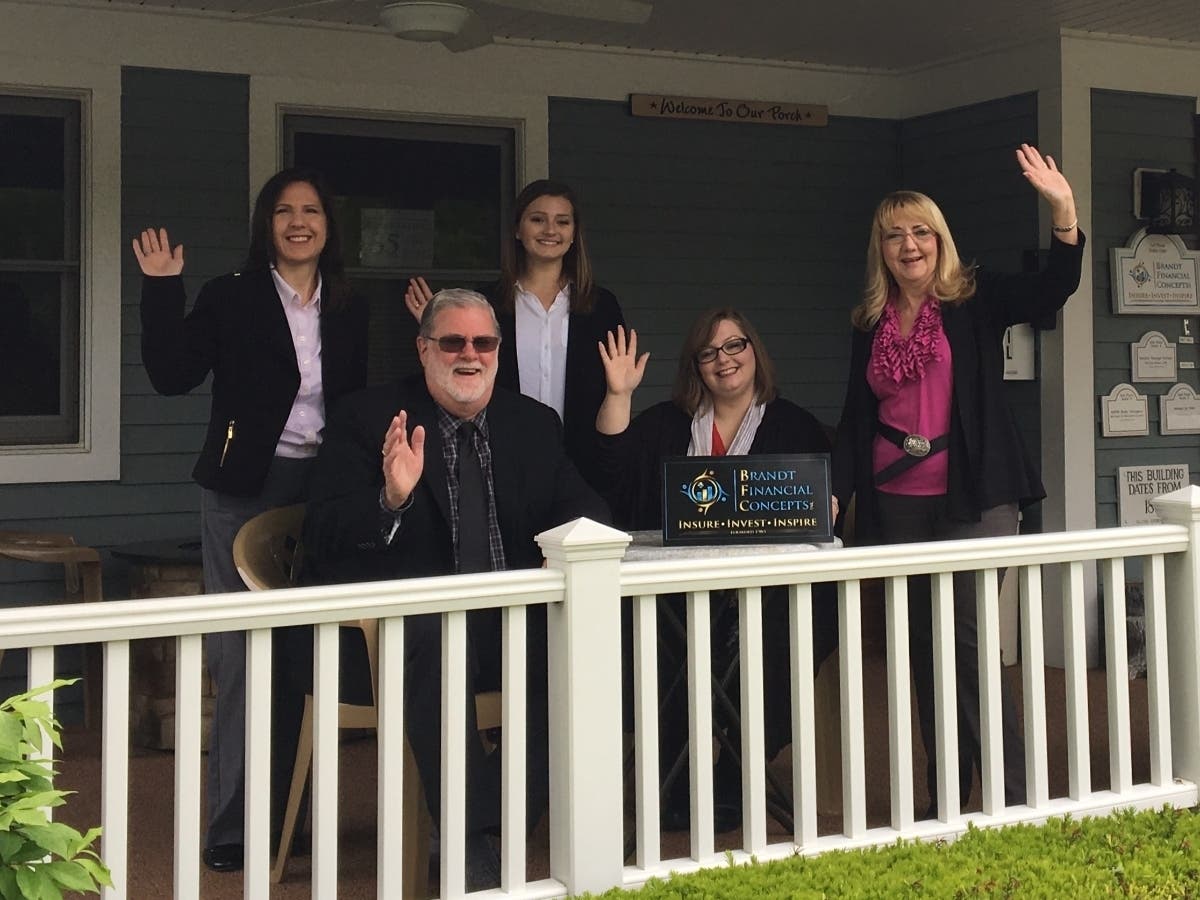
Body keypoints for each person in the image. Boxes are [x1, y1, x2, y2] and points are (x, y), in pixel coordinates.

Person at [299, 288, 608, 890]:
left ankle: (476, 825)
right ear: (423, 350)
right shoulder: (369, 420)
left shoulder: (533, 426)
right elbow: (321, 534)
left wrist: (591, 547)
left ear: (497, 350)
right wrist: (391, 498)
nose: (469, 354)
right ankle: (475, 847)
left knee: (582, 643)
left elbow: (584, 509)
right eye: (452, 341)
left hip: (508, 621)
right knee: (436, 639)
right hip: (402, 637)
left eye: (483, 342)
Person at [831, 143, 1084, 817]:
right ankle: (948, 795)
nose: (909, 244)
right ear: (880, 249)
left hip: (976, 496)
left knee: (967, 643)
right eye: (895, 235)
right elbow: (858, 417)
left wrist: (1063, 213)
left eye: (921, 231)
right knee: (921, 650)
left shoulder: (973, 298)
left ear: (940, 240)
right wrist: (836, 490)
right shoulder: (869, 324)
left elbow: (1054, 287)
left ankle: (1011, 798)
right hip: (895, 501)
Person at [134, 167, 369, 872]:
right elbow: (170, 373)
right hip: (243, 488)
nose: (299, 222)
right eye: (284, 211)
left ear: (329, 226)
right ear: (266, 224)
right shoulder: (230, 297)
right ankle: (233, 826)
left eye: (313, 210)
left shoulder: (350, 305)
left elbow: (355, 400)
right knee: (240, 657)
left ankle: (289, 815)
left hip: (321, 491)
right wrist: (160, 287)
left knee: (304, 656)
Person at [595, 308, 838, 830]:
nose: (723, 360)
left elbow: (820, 497)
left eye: (734, 346)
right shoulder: (665, 423)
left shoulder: (794, 424)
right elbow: (610, 471)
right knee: (652, 639)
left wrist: (828, 502)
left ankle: (737, 767)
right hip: (675, 596)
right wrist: (619, 395)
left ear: (755, 353)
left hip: (764, 596)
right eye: (708, 353)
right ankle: (672, 773)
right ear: (695, 367)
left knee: (788, 634)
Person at [404, 179, 623, 489]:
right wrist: (439, 328)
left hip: (581, 460)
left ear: (574, 234)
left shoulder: (602, 307)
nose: (550, 229)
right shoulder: (487, 303)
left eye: (562, 221)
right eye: (538, 219)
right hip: (500, 454)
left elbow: (615, 389)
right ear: (518, 230)